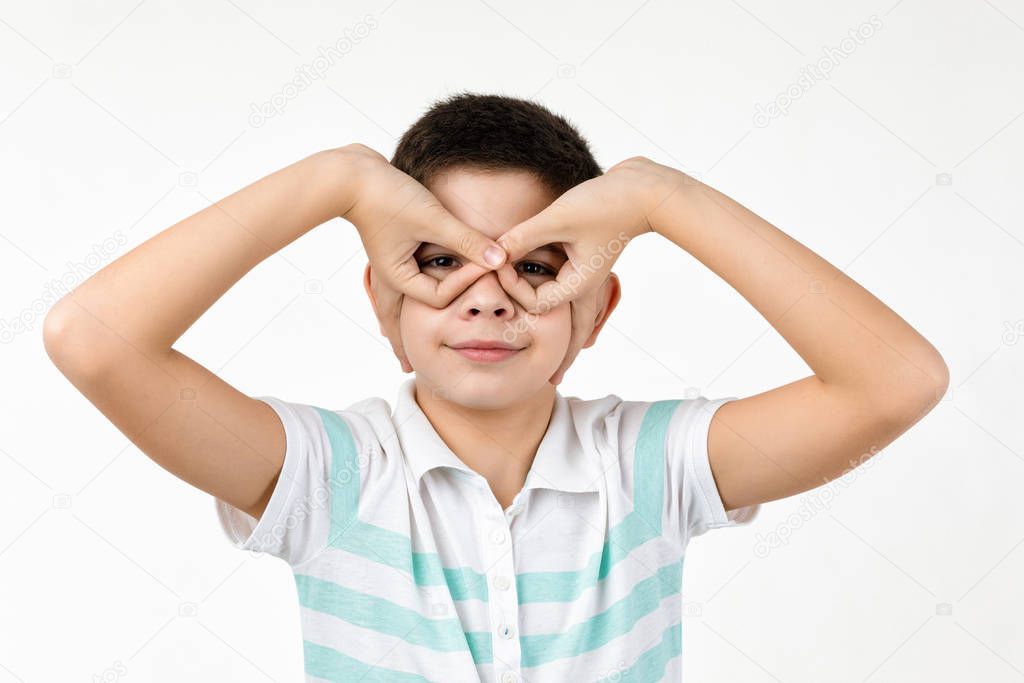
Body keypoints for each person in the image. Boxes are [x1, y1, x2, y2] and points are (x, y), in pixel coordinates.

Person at [43, 91, 948, 682]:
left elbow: (897, 381)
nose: (487, 297)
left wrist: (658, 198)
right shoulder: (328, 476)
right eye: (438, 261)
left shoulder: (651, 466)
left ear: (594, 311)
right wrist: (339, 180)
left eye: (536, 265)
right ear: (383, 302)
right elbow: (92, 341)